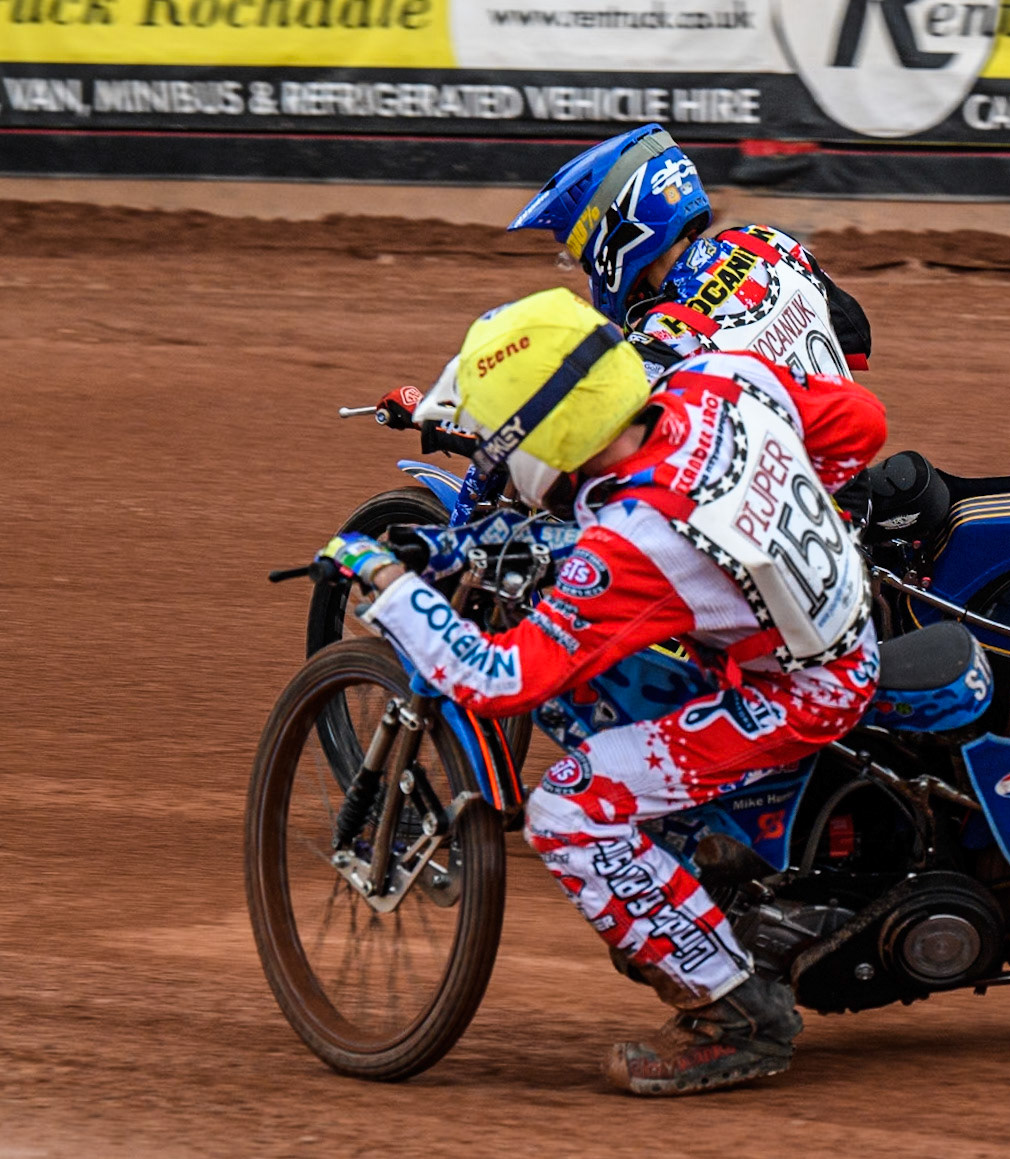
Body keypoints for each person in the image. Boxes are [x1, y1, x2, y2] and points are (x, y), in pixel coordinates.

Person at [319, 286, 886, 1095]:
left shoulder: (634, 540)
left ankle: (736, 1014)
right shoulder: (720, 377)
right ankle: (711, 866)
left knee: (569, 810)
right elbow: (861, 421)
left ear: (543, 436)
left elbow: (499, 677)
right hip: (840, 617)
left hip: (800, 691)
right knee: (591, 692)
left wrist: (385, 582)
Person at [507, 124, 873, 380]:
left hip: (783, 471)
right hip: (849, 446)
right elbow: (856, 336)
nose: (592, 269)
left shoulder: (663, 337)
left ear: (618, 233)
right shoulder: (765, 241)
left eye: (586, 257)